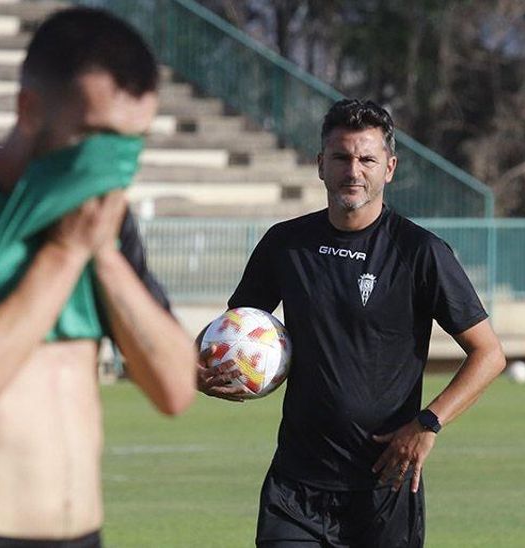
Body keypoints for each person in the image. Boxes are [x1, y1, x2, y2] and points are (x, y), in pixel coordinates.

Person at [0, 8, 195, 547]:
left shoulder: (103, 221)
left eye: (129, 143)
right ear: (29, 110)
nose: (110, 162)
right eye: (94, 136)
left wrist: (105, 255)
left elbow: (174, 387)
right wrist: (67, 251)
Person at [199, 99, 508, 547]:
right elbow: (232, 331)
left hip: (384, 489)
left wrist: (427, 424)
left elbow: (490, 353)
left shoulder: (420, 252)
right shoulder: (285, 245)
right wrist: (199, 369)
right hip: (296, 488)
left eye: (367, 159)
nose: (353, 170)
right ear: (321, 165)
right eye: (341, 158)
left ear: (390, 168)